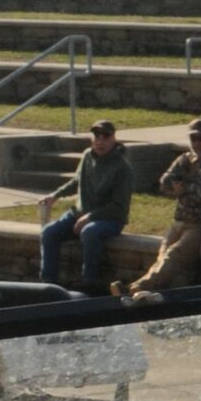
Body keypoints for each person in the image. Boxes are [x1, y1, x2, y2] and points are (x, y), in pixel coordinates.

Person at [113, 118, 201, 300]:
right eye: (193, 138)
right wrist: (184, 187)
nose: (197, 143)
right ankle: (152, 293)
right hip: (181, 220)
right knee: (164, 252)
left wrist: (183, 188)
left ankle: (133, 289)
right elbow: (165, 182)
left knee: (175, 254)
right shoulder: (185, 159)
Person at [38, 120, 134, 295]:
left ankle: (90, 283)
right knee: (49, 232)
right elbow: (76, 181)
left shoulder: (122, 168)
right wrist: (55, 195)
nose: (100, 141)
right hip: (80, 214)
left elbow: (118, 206)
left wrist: (90, 217)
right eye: (97, 136)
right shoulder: (87, 156)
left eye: (105, 137)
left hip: (110, 219)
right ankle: (49, 284)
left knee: (89, 232)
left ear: (113, 138)